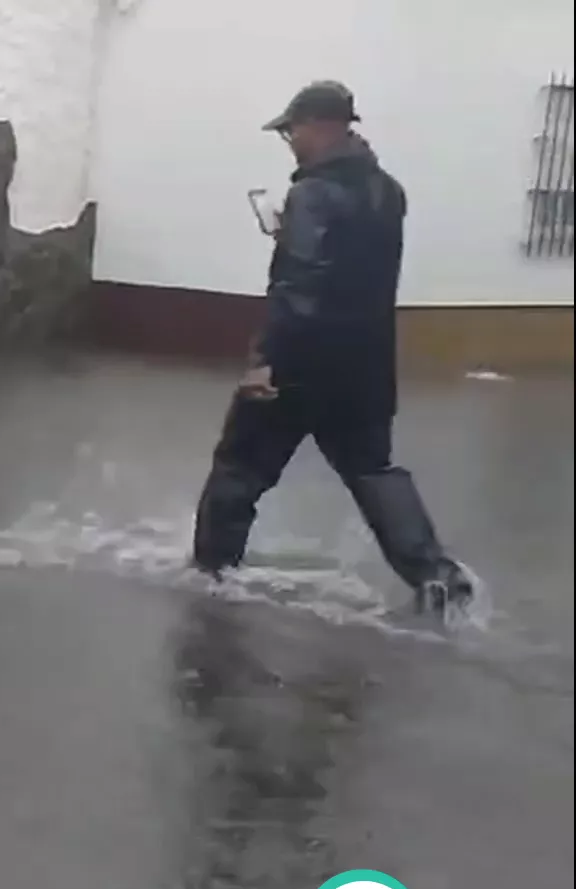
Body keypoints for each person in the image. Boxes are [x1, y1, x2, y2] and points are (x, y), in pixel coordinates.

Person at [191, 80, 474, 614]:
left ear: (319, 127)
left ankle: (210, 576)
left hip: (300, 367)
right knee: (373, 470)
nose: (290, 143)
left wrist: (264, 363)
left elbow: (299, 284)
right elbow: (352, 265)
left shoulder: (312, 195)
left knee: (238, 467)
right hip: (365, 368)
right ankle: (437, 577)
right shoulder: (389, 192)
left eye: (291, 132)